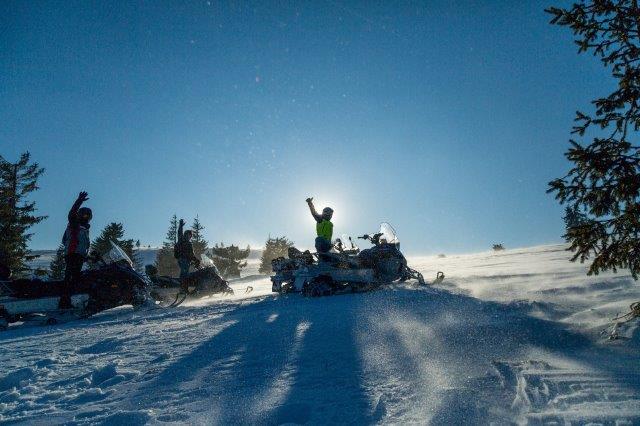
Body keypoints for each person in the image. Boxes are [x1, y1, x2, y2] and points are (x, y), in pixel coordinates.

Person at [59, 191, 92, 309]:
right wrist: (79, 201)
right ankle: (64, 303)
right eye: (84, 215)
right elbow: (71, 213)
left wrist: (88, 256)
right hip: (73, 255)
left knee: (77, 278)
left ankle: (74, 301)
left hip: (78, 256)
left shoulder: (84, 229)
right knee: (71, 278)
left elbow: (83, 245)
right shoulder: (74, 224)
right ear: (79, 215)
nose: (86, 217)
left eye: (88, 216)